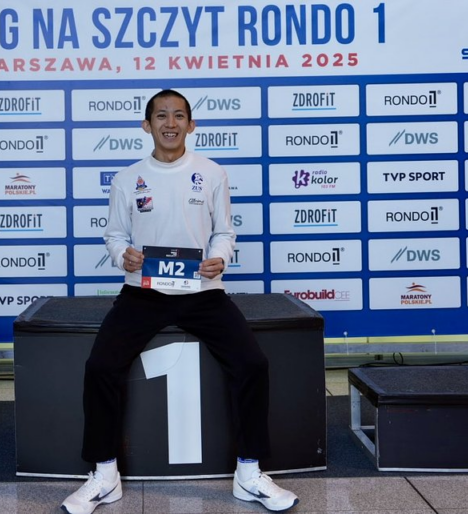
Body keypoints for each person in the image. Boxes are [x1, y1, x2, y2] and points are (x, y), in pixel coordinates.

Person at [61, 90, 299, 514]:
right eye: (160, 116)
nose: (169, 124)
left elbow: (224, 231)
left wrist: (219, 257)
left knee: (252, 364)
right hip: (143, 291)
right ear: (146, 124)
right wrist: (123, 255)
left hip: (202, 292)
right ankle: (104, 474)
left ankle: (249, 472)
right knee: (100, 367)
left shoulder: (211, 173)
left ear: (191, 125)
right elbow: (114, 234)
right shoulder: (127, 178)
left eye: (178, 116)